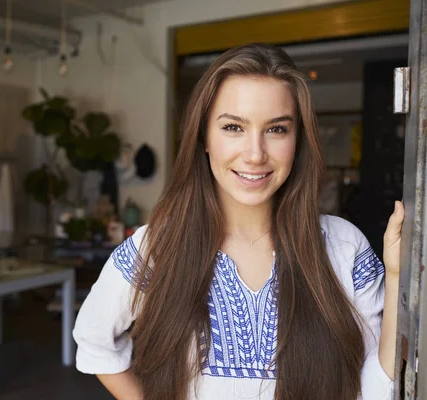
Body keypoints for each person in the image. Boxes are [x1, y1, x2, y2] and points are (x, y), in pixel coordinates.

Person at [72, 43, 405, 400]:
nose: (255, 154)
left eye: (276, 129)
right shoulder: (158, 245)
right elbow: (94, 340)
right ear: (203, 137)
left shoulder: (343, 246)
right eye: (233, 127)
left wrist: (398, 276)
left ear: (299, 140)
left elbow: (372, 386)